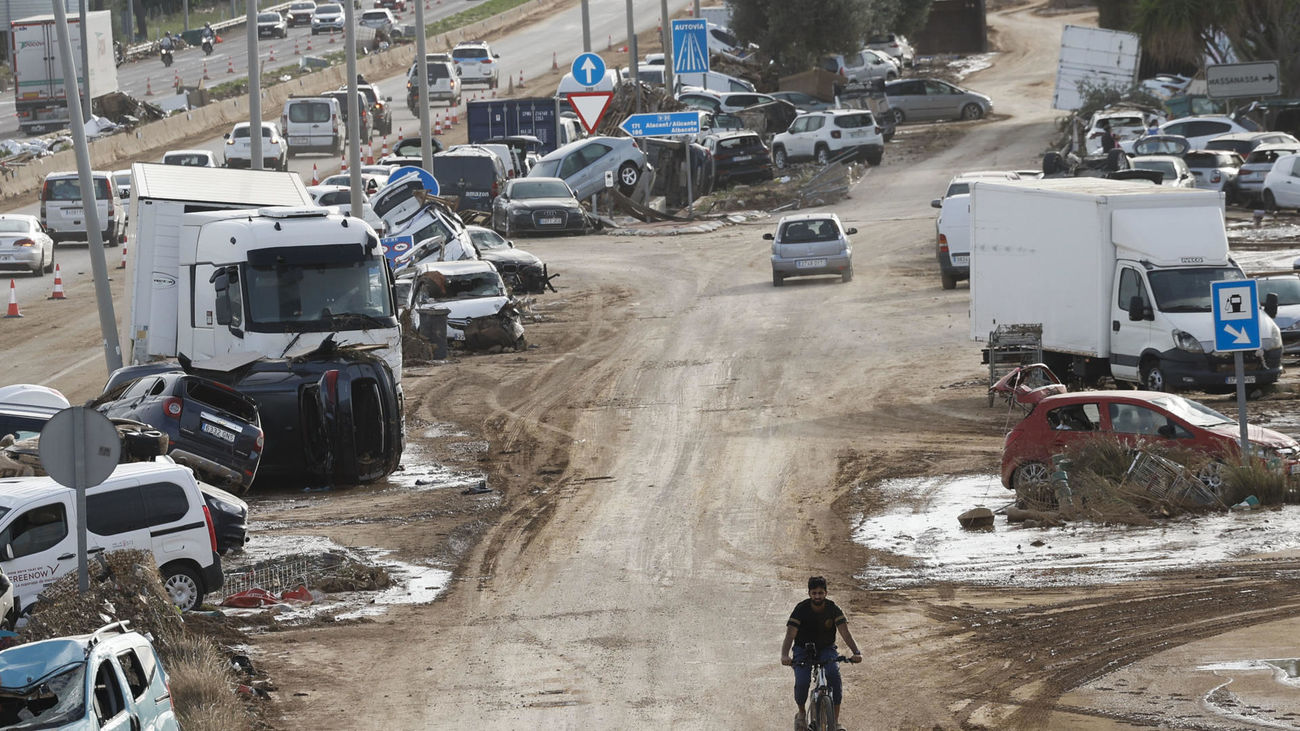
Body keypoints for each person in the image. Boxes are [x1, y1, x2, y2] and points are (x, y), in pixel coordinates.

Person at [781, 576, 863, 731]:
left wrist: (856, 652)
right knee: (803, 681)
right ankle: (801, 713)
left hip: (826, 649)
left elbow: (845, 633)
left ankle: (836, 722)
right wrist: (785, 655)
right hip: (802, 649)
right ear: (809, 593)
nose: (817, 596)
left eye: (820, 593)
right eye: (814, 593)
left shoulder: (833, 609)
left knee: (834, 676)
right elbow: (790, 634)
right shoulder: (801, 609)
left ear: (825, 592)